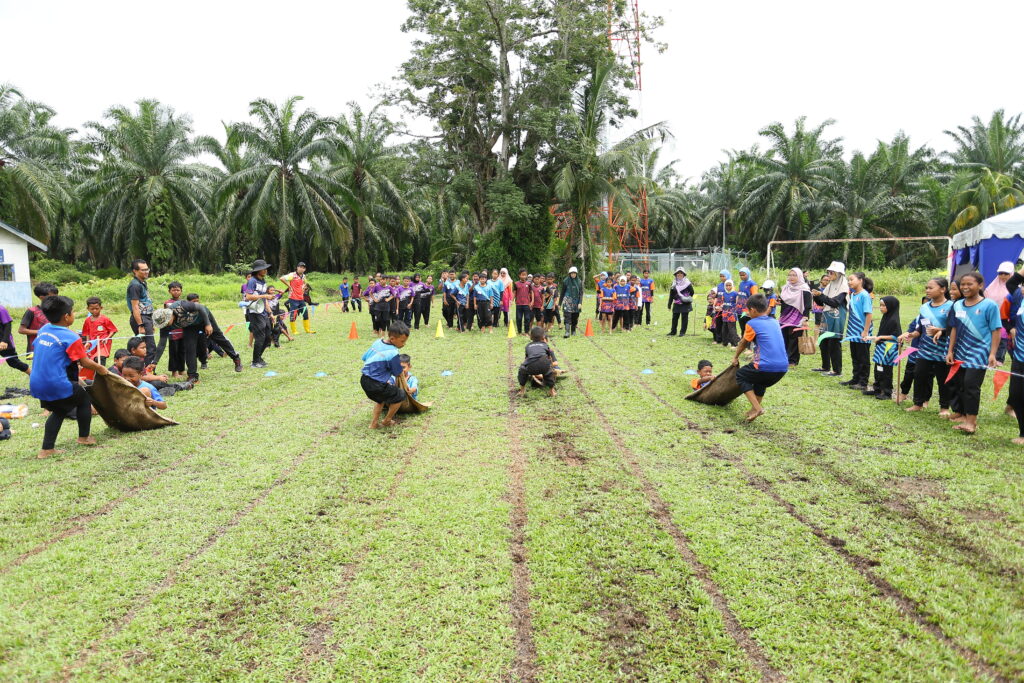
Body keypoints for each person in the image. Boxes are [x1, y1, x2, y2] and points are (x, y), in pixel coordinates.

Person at [29, 295, 109, 458]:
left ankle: (47, 449)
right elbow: (85, 363)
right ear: (67, 316)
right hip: (55, 382)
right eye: (72, 312)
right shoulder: (71, 337)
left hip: (37, 381)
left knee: (59, 409)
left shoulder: (44, 330)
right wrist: (101, 369)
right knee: (84, 400)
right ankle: (83, 438)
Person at [946, 271, 1001, 435]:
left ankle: (971, 422)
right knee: (961, 385)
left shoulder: (989, 305)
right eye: (963, 284)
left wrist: (993, 354)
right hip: (960, 353)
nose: (965, 287)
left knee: (971, 385)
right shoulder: (957, 304)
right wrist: (950, 350)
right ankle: (963, 415)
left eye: (970, 284)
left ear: (980, 285)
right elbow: (954, 328)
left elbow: (996, 330)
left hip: (979, 353)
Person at [731, 294, 788, 422]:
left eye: (748, 310)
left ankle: (757, 408)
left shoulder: (752, 323)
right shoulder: (774, 322)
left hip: (766, 367)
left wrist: (735, 357)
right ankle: (753, 409)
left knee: (740, 375)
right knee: (760, 380)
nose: (748, 313)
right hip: (783, 368)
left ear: (753, 310)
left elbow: (743, 343)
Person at [905, 279, 953, 415]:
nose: (927, 290)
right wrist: (912, 335)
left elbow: (954, 328)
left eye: (931, 288)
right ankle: (918, 403)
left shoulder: (951, 306)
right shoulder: (924, 307)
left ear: (943, 289)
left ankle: (944, 407)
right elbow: (920, 327)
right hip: (924, 349)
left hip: (942, 350)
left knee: (943, 379)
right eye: (926, 288)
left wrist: (940, 330)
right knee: (919, 375)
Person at [360, 320, 410, 429]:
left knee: (380, 399)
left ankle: (373, 424)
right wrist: (406, 386)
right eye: (402, 341)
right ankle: (387, 420)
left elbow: (365, 357)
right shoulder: (393, 353)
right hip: (376, 384)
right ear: (393, 339)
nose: (403, 344)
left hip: (364, 379)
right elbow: (398, 373)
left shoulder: (377, 342)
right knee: (400, 395)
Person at [811, 262, 849, 377]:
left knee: (834, 342)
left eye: (831, 272)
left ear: (839, 273)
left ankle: (837, 370)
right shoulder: (830, 285)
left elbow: (835, 302)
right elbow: (822, 302)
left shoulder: (843, 286)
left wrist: (821, 295)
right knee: (823, 341)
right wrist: (816, 296)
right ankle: (825, 366)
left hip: (837, 317)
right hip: (826, 315)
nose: (829, 274)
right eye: (828, 272)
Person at [1002, 263, 1024, 443]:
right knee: (1016, 394)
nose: (1022, 288)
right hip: (1019, 355)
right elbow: (1013, 281)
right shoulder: (1018, 295)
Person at [842, 272, 873, 390]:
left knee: (863, 357)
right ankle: (855, 378)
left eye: (851, 279)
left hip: (862, 331)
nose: (849, 282)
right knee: (854, 356)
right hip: (852, 331)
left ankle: (863, 382)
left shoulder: (865, 295)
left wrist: (865, 331)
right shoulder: (853, 295)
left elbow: (869, 314)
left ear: (860, 280)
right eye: (848, 280)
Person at [865, 297, 901, 399]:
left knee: (886, 371)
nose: (881, 308)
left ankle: (887, 392)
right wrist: (871, 337)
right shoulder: (886, 317)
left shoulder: (894, 320)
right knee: (878, 369)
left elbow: (896, 337)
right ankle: (877, 389)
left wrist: (880, 337)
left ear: (891, 306)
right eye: (880, 305)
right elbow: (882, 334)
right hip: (881, 347)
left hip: (888, 350)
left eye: (883, 305)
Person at [243, 259, 275, 368]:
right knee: (260, 336)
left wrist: (270, 313)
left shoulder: (263, 282)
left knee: (267, 336)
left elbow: (265, 300)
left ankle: (258, 358)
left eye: (266, 268)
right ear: (258, 270)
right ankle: (255, 362)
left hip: (264, 312)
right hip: (254, 312)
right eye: (263, 268)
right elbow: (248, 296)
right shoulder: (252, 281)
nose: (265, 270)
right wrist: (265, 296)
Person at [78, 297, 118, 382]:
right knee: (91, 361)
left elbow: (113, 330)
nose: (94, 311)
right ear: (88, 309)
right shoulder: (87, 320)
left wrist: (107, 338)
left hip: (103, 344)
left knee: (100, 358)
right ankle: (93, 378)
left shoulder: (105, 319)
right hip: (93, 344)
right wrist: (88, 342)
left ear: (101, 308)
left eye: (97, 308)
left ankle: (102, 377)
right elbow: (86, 332)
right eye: (92, 309)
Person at [779, 268, 811, 367]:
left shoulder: (804, 289)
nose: (791, 277)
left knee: (794, 339)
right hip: (785, 317)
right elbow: (783, 302)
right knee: (784, 338)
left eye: (794, 275)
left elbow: (807, 305)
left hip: (798, 317)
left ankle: (792, 361)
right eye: (790, 275)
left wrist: (805, 318)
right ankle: (785, 359)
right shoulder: (785, 288)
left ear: (800, 276)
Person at [126, 260, 156, 366]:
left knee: (146, 347)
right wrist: (141, 325)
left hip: (146, 318)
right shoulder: (135, 286)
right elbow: (135, 306)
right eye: (143, 270)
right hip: (140, 319)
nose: (146, 271)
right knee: (148, 348)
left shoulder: (142, 282)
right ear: (135, 271)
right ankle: (147, 373)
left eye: (147, 269)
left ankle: (142, 372)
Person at [984, 261, 1014, 363]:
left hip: (1007, 319)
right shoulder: (990, 288)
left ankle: (999, 358)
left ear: (1012, 274)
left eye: (1006, 273)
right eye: (1001, 273)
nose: (1003, 276)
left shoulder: (1016, 290)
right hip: (991, 317)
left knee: (1003, 338)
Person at [19, 281, 59, 353]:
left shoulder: (58, 310)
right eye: (53, 297)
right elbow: (22, 330)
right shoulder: (32, 311)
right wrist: (43, 332)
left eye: (56, 296)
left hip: (55, 346)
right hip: (37, 348)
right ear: (42, 297)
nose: (56, 299)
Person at [518, 326, 557, 397]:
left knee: (522, 370)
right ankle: (551, 390)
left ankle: (522, 390)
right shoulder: (545, 345)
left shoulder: (528, 346)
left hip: (531, 367)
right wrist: (551, 368)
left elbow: (526, 358)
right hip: (544, 366)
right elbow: (549, 358)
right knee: (549, 372)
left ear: (530, 337)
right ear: (543, 337)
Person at [280, 262, 313, 335]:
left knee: (305, 313)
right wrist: (289, 286)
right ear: (297, 267)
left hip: (301, 298)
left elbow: (305, 283)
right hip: (293, 298)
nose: (302, 268)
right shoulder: (292, 275)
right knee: (293, 314)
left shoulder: (303, 276)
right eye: (300, 267)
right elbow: (281, 278)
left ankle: (307, 330)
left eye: (303, 267)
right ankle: (294, 331)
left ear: (305, 269)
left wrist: (304, 287)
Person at [0, 302, 30, 375]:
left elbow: (7, 325)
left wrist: (4, 341)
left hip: (3, 341)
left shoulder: (1, 309)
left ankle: (32, 374)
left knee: (13, 361)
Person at [559, 267, 584, 338]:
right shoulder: (565, 281)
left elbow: (581, 293)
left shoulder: (579, 282)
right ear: (569, 274)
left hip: (576, 301)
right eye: (571, 273)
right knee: (567, 316)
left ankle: (573, 331)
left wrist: (580, 302)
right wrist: (559, 304)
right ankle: (567, 332)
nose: (573, 275)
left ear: (576, 274)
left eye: (574, 273)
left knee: (575, 316)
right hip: (567, 301)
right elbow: (562, 293)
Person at [736, 267, 759, 337]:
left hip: (747, 310)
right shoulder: (741, 284)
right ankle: (743, 343)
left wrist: (751, 310)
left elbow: (755, 297)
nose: (742, 277)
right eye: (740, 275)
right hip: (740, 309)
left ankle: (749, 344)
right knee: (742, 326)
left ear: (748, 274)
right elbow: (739, 294)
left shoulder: (752, 284)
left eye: (743, 275)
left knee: (748, 327)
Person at [719, 280, 740, 346]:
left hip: (732, 314)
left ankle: (734, 344)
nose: (728, 287)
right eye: (727, 285)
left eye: (729, 285)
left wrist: (735, 310)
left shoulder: (735, 294)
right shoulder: (724, 294)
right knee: (724, 328)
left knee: (732, 329)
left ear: (732, 285)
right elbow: (722, 303)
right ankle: (725, 342)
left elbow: (737, 303)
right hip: (725, 313)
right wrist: (720, 307)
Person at [513, 269, 533, 335]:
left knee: (527, 318)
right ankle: (519, 332)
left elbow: (531, 292)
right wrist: (512, 300)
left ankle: (526, 332)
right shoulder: (516, 284)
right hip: (519, 304)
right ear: (519, 275)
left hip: (527, 304)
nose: (524, 276)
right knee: (519, 318)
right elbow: (514, 293)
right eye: (522, 275)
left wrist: (532, 301)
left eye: (525, 275)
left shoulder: (529, 284)